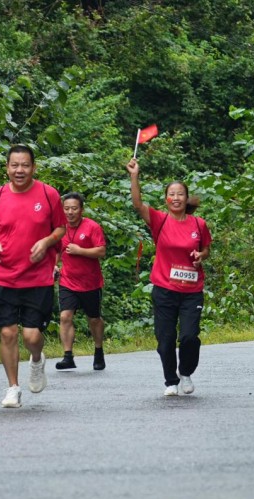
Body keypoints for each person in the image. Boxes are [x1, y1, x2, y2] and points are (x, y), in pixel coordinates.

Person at [0, 145, 66, 408]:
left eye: (25, 165)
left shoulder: (48, 194)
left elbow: (61, 228)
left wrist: (47, 241)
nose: (19, 170)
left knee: (31, 336)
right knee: (7, 333)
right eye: (14, 165)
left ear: (33, 167)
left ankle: (37, 359)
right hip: (4, 276)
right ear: (7, 168)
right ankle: (12, 388)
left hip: (37, 278)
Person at [126, 158, 212, 396]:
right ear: (166, 199)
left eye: (180, 194)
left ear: (186, 198)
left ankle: (185, 372)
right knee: (165, 340)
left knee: (189, 337)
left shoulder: (199, 224)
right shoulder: (160, 220)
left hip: (191, 291)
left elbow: (206, 249)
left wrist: (200, 255)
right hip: (164, 289)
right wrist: (134, 176)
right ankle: (170, 381)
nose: (176, 198)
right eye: (171, 194)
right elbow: (137, 204)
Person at [54, 192, 108, 371]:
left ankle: (98, 351)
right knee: (65, 316)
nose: (70, 212)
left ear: (81, 210)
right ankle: (68, 356)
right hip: (67, 280)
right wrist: (53, 266)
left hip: (90, 282)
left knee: (94, 319)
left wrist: (80, 250)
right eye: (67, 208)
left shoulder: (92, 227)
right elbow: (57, 251)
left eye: (74, 208)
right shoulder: (59, 229)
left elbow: (101, 251)